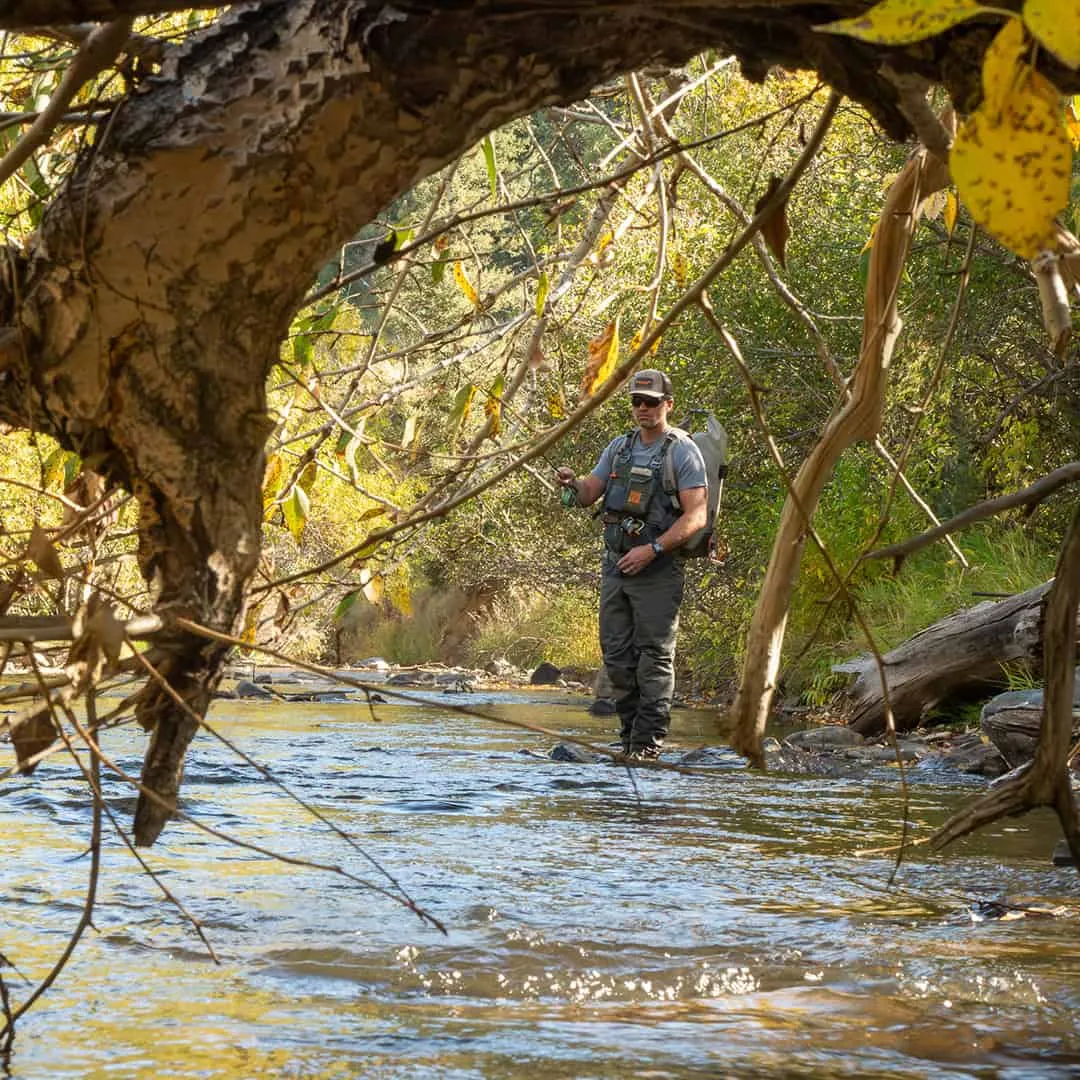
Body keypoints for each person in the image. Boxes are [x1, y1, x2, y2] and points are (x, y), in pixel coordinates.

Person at [557, 369, 707, 759]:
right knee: (616, 656)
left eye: (651, 402)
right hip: (615, 567)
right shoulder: (618, 448)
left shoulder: (683, 450)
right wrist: (572, 483)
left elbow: (696, 517)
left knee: (654, 656)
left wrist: (652, 550)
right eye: (637, 402)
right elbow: (591, 491)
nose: (643, 409)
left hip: (658, 570)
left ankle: (647, 746)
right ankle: (628, 738)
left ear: (667, 405)